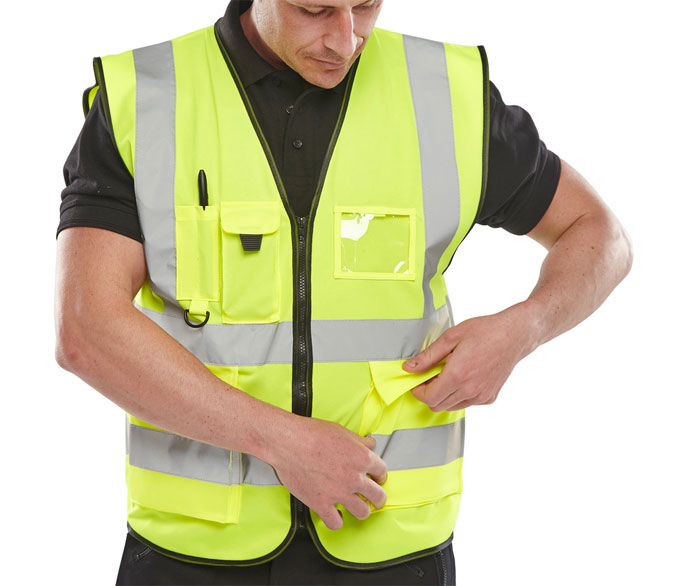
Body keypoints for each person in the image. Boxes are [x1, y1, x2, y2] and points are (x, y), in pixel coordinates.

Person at [54, 0, 633, 584]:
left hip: (394, 547)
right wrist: (282, 443)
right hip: (190, 553)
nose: (345, 39)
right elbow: (86, 329)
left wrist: (523, 328)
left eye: (365, 6)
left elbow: (600, 236)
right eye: (315, 10)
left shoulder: (446, 94)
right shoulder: (145, 98)